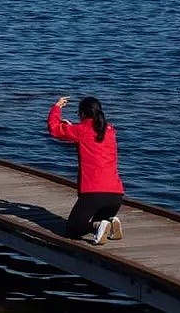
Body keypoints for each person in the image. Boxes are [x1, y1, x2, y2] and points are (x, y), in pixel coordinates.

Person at [47, 95, 125, 245]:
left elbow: (54, 129)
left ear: (82, 114)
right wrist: (72, 127)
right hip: (116, 195)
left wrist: (56, 107)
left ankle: (100, 225)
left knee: (73, 229)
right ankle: (110, 221)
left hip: (94, 192)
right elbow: (92, 137)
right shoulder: (110, 131)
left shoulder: (80, 130)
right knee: (96, 220)